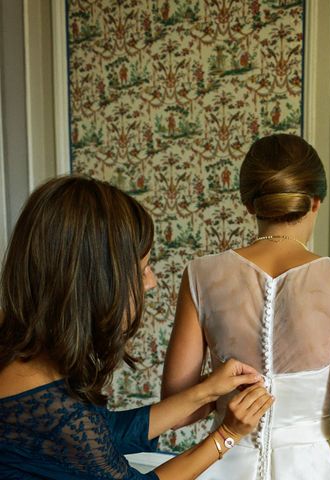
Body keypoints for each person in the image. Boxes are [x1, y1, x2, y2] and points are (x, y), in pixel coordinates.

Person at [0, 176, 274, 480]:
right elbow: (86, 439)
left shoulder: (15, 346)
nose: (152, 282)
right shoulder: (62, 414)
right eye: (142, 269)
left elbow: (101, 434)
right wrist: (226, 435)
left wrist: (204, 393)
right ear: (99, 283)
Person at [162, 133, 330, 480]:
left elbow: (177, 410)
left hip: (225, 463)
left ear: (249, 204)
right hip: (313, 469)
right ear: (315, 202)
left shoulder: (201, 274)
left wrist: (228, 395)